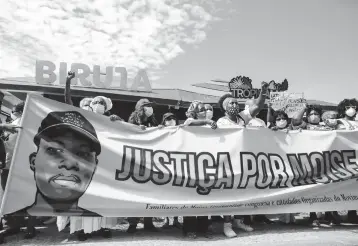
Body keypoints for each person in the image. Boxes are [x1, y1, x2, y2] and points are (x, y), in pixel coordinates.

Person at [61, 71, 116, 241]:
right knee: (83, 194)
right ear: (91, 104)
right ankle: (81, 229)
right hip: (82, 162)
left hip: (103, 164)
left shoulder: (110, 120)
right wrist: (68, 82)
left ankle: (102, 227)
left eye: (102, 102)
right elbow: (67, 101)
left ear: (106, 107)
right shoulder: (81, 116)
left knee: (103, 196)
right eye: (96, 101)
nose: (99, 103)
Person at [216, 81, 268, 238]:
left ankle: (239, 220)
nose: (235, 104)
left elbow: (257, 107)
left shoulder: (241, 117)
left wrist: (263, 92)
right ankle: (227, 224)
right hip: (228, 163)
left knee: (242, 192)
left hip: (243, 161)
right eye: (231, 102)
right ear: (225, 107)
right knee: (229, 194)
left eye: (236, 102)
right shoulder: (221, 122)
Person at [182, 101, 217, 239]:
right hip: (190, 164)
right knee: (190, 198)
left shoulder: (208, 125)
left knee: (204, 196)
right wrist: (207, 122)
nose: (204, 111)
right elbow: (190, 124)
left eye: (204, 109)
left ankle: (203, 227)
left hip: (205, 164)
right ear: (194, 111)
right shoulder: (190, 121)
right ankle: (189, 228)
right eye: (201, 109)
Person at [127, 98, 158, 233]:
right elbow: (126, 134)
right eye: (147, 106)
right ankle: (132, 223)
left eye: (151, 106)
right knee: (135, 193)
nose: (150, 108)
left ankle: (148, 222)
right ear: (140, 108)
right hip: (136, 161)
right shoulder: (132, 120)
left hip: (151, 162)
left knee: (150, 193)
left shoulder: (153, 122)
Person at [335, 98, 358, 224]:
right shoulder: (339, 122)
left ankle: (353, 213)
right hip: (343, 158)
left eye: (353, 107)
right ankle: (333, 213)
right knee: (339, 186)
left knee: (354, 186)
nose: (351, 109)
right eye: (348, 107)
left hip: (356, 158)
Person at [159, 113, 183, 230]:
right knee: (166, 195)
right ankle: (167, 220)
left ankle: (177, 219)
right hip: (165, 166)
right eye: (168, 119)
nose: (171, 120)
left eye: (173, 118)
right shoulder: (160, 131)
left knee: (177, 195)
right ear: (164, 121)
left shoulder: (181, 131)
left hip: (177, 166)